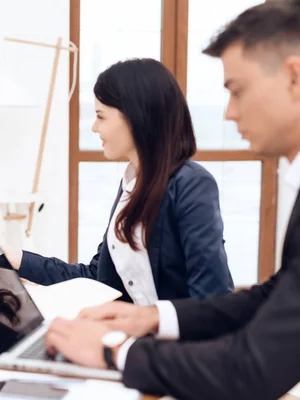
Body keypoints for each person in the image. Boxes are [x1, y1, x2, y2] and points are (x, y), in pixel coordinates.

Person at [43, 2, 300, 399]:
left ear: (294, 78)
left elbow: (255, 367)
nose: (228, 114)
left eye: (236, 90)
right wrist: (148, 318)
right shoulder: (130, 183)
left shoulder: (190, 184)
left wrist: (117, 354)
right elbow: (275, 294)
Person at [3, 58, 233, 304]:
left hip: (171, 340)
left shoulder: (191, 184)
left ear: (136, 117)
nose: (93, 127)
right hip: (132, 336)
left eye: (101, 116)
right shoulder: (131, 184)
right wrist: (16, 258)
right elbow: (99, 278)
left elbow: (212, 300)